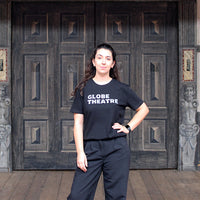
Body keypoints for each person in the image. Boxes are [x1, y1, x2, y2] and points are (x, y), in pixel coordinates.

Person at [67, 43, 149, 200]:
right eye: (100, 58)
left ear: (113, 64)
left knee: (116, 196)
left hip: (116, 148)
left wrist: (128, 127)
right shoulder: (84, 89)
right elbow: (78, 123)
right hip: (91, 148)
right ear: (93, 62)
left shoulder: (121, 89)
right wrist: (80, 153)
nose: (103, 62)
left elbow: (143, 109)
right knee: (77, 196)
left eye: (107, 58)